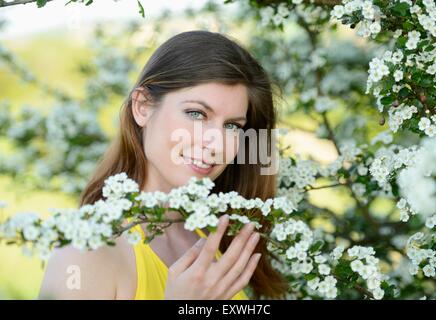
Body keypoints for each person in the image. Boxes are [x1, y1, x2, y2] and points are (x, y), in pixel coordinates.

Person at [39, 30, 287, 300]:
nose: (215, 144)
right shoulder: (86, 251)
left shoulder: (219, 236)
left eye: (232, 126)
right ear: (143, 106)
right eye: (196, 114)